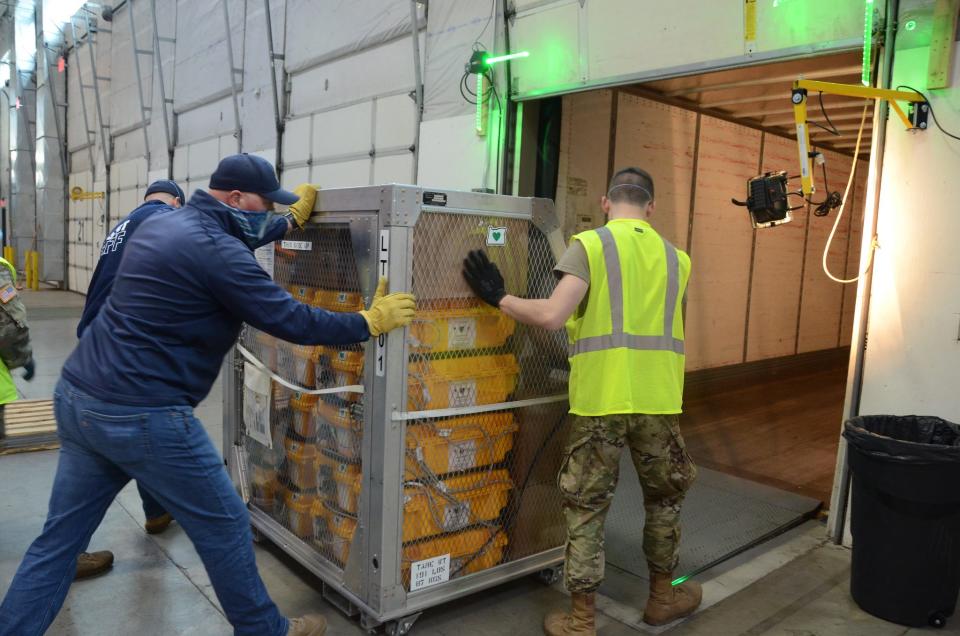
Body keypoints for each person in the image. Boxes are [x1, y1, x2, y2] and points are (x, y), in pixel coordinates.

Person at [0, 153, 413, 636]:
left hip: (79, 398)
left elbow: (235, 235)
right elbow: (290, 318)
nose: (265, 213)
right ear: (236, 198)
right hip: (145, 415)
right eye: (264, 204)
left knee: (59, 543)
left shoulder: (163, 225)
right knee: (224, 525)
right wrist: (367, 321)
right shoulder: (219, 253)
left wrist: (284, 223)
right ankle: (265, 631)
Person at [462, 167, 700, 635]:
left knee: (587, 505)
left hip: (601, 402)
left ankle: (582, 619)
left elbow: (552, 315)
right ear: (651, 208)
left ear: (605, 202)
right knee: (665, 500)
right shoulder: (678, 259)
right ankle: (661, 598)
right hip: (660, 400)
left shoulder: (590, 244)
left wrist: (499, 298)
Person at [71, 180, 186, 581]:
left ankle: (157, 512)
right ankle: (68, 553)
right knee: (99, 455)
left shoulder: (124, 225)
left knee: (142, 432)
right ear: (175, 201)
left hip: (99, 345)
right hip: (119, 353)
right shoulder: (163, 217)